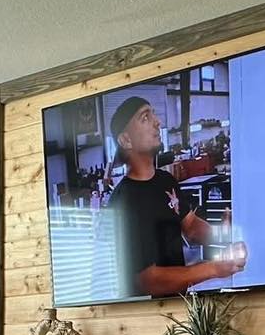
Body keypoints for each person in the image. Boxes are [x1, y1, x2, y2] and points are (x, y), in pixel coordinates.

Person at [102, 95, 245, 298]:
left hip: (179, 303)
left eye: (153, 114)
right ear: (126, 140)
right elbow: (147, 280)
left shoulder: (165, 181)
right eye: (145, 118)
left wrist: (225, 234)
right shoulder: (123, 202)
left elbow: (192, 228)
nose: (157, 122)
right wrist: (212, 269)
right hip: (148, 314)